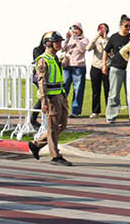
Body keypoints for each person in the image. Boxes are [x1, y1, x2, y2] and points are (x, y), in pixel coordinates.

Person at [29, 32, 72, 166]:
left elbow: (58, 72)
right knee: (52, 128)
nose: (59, 44)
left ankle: (37, 144)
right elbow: (41, 81)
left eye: (60, 41)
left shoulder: (54, 58)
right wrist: (44, 100)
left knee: (62, 125)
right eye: (56, 41)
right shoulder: (43, 59)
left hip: (60, 94)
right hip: (51, 97)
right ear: (48, 43)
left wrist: (64, 62)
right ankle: (55, 155)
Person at [102, 16, 130, 123]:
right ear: (121, 26)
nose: (128, 28)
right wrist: (104, 65)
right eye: (126, 26)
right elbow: (106, 51)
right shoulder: (114, 37)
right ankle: (111, 115)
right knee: (114, 93)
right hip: (116, 67)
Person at [61, 23, 88, 117]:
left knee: (78, 89)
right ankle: (61, 109)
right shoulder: (70, 39)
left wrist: (76, 38)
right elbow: (62, 48)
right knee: (64, 88)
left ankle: (75, 112)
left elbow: (82, 49)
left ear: (81, 30)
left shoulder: (84, 40)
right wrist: (67, 38)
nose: (75, 31)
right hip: (67, 66)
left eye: (77, 29)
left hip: (79, 67)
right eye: (74, 29)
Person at [86, 23, 109, 118]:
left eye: (104, 28)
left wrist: (105, 37)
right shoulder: (96, 40)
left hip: (107, 67)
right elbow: (88, 48)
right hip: (95, 67)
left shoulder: (109, 40)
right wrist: (96, 36)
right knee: (96, 90)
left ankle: (109, 111)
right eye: (100, 28)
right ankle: (96, 111)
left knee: (108, 89)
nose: (102, 30)